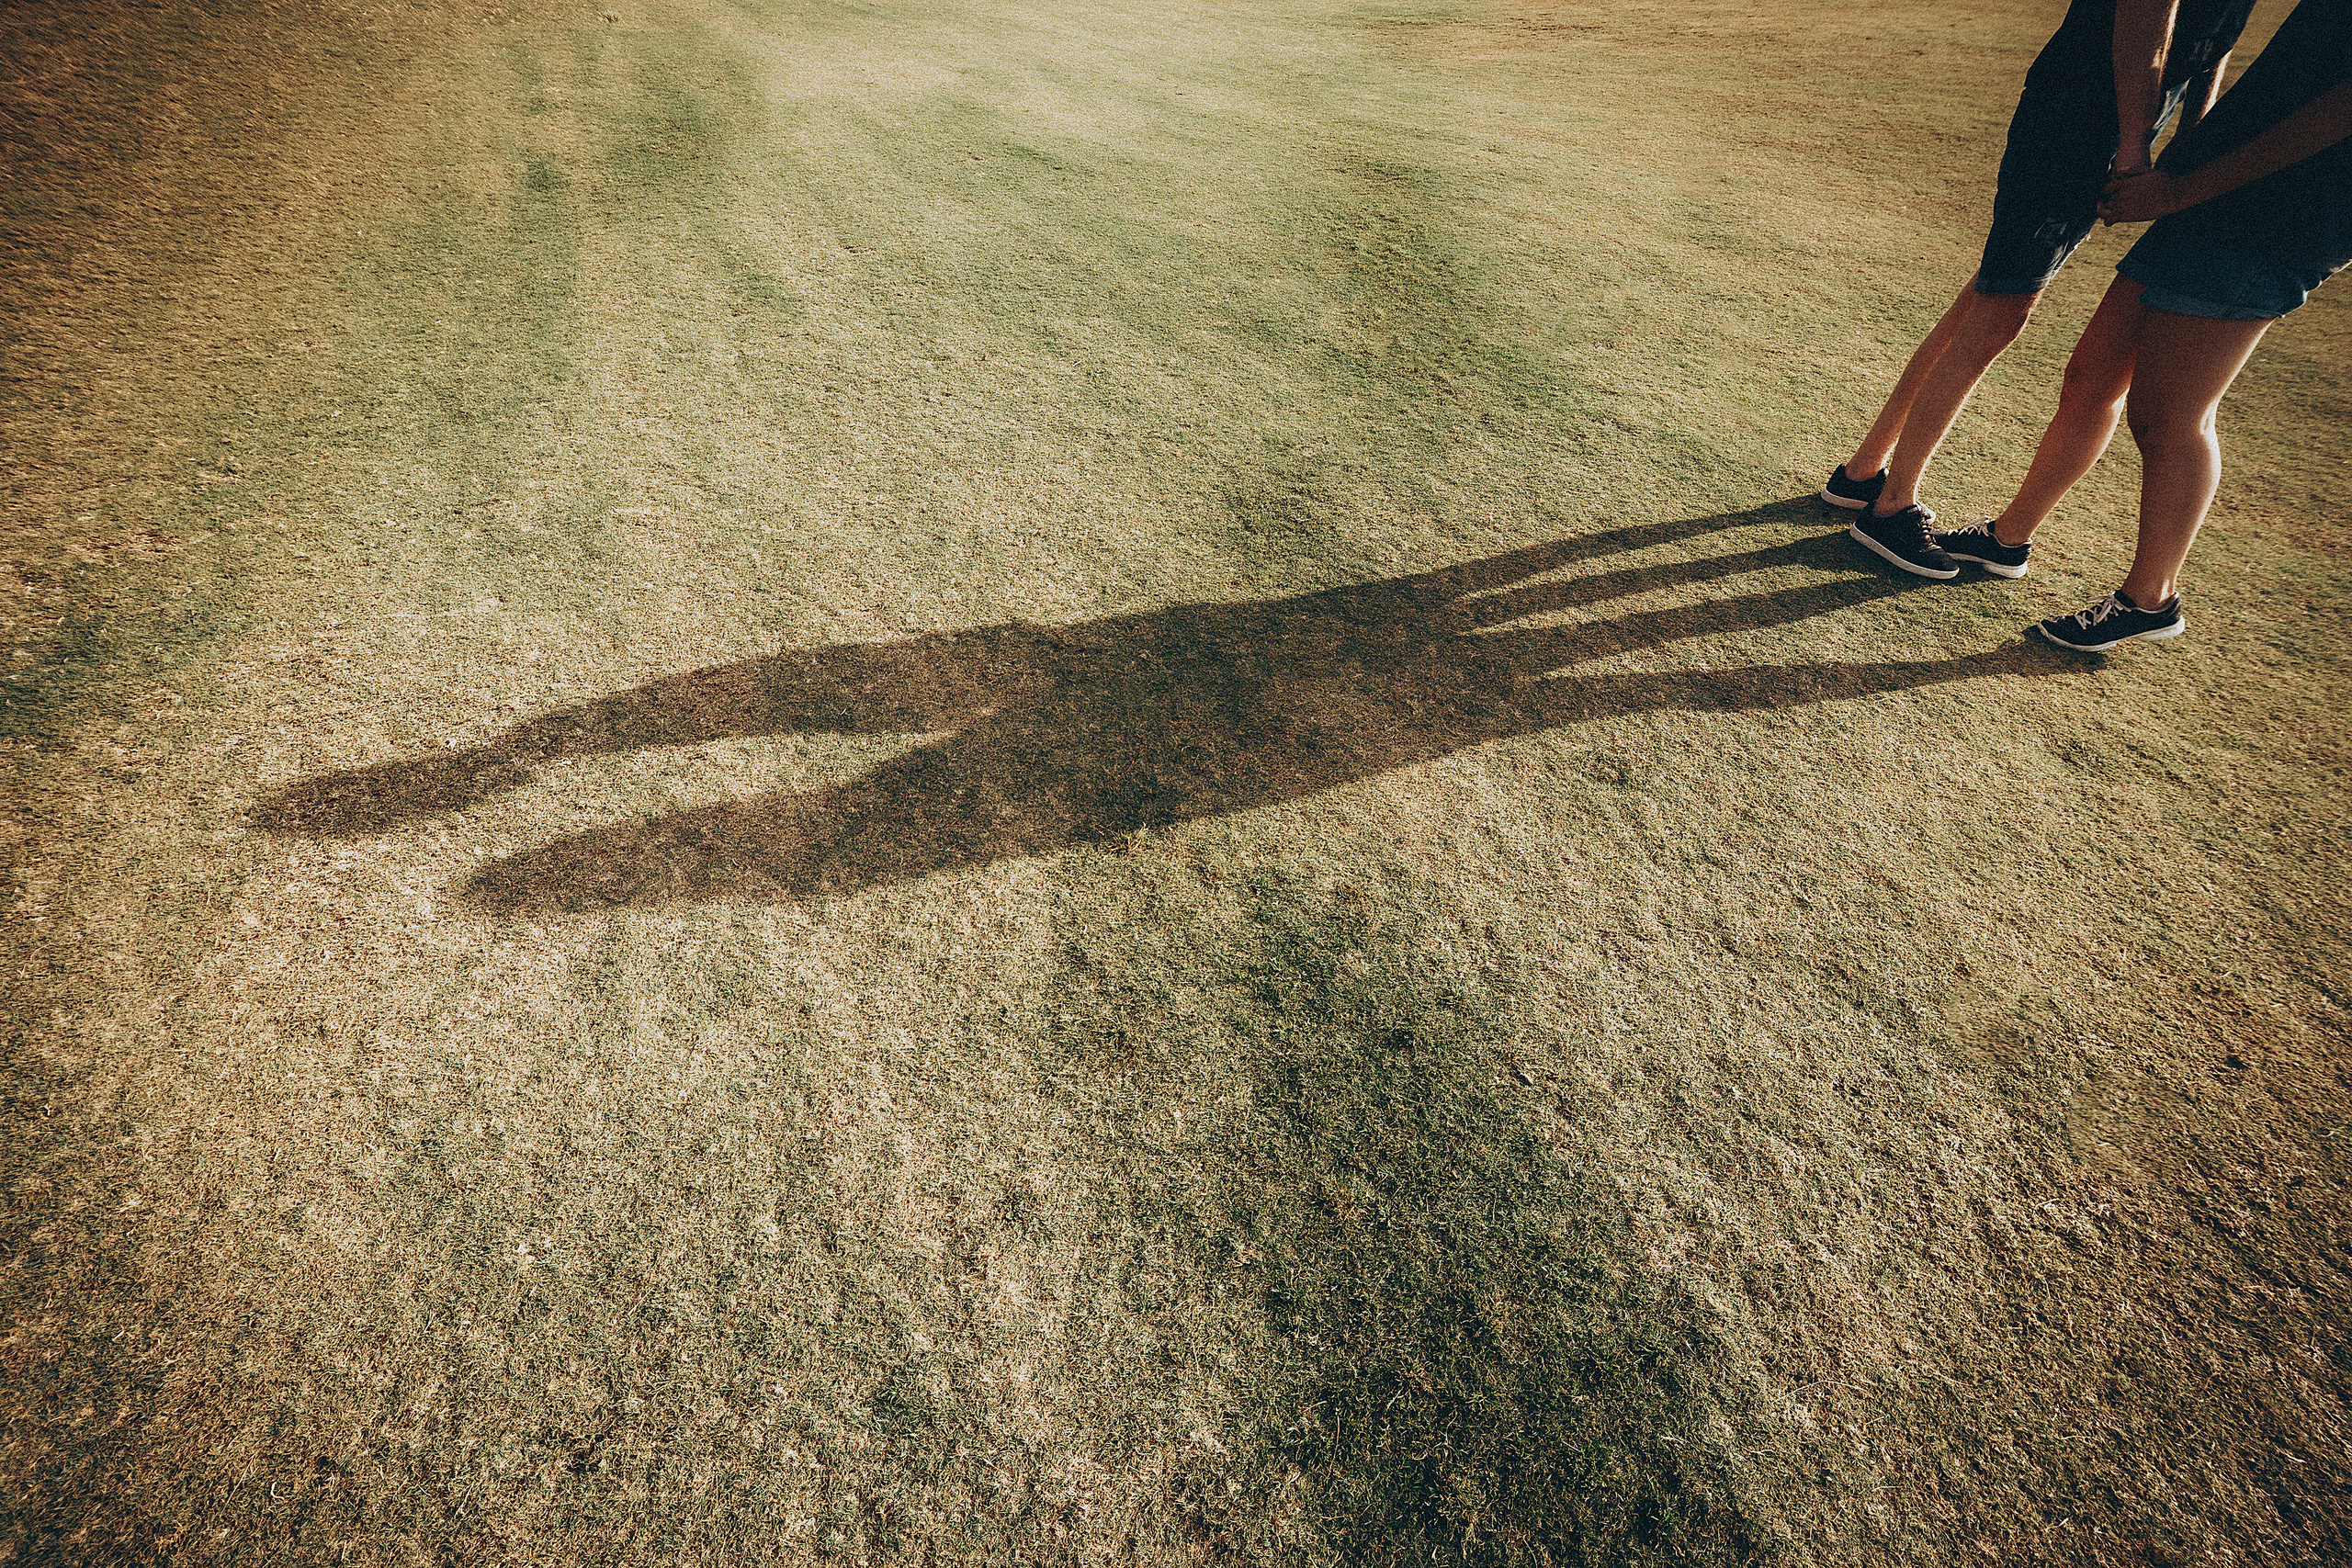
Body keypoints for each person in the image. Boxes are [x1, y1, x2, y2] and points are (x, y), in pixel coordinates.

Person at [1925, 0, 2352, 649]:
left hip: (2285, 215)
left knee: (2169, 415)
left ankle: (2150, 599)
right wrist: (2193, 163)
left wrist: (2183, 189)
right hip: (2217, 187)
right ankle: (2007, 539)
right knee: (2091, 376)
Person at [1824, 0, 2256, 581]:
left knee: (1983, 300)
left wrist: (2187, 136)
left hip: (2116, 121)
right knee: (1997, 316)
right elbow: (2144, 14)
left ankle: (1863, 473)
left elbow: (2212, 41)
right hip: (2076, 119)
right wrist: (2134, 147)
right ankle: (1890, 508)